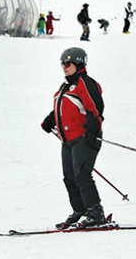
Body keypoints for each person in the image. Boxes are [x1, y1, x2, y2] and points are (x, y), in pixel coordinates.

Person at [41, 47, 106, 229]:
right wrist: (50, 119)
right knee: (69, 177)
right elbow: (63, 107)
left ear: (78, 64)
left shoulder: (86, 83)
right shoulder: (66, 86)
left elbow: (96, 109)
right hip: (67, 139)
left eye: (67, 63)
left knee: (82, 175)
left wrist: (93, 129)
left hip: (84, 137)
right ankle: (80, 210)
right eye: (62, 63)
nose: (64, 67)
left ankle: (95, 212)